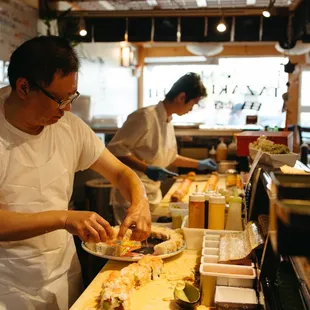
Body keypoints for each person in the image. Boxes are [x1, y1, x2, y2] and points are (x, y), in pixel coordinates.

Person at [0, 36, 151, 310]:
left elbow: (119, 173)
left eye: (72, 96)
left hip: (63, 272)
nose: (68, 108)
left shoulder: (69, 126)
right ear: (23, 87)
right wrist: (65, 218)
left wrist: (140, 202)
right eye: (59, 99)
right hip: (9, 285)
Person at [108, 73, 218, 223]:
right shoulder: (144, 117)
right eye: (192, 104)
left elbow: (171, 157)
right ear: (181, 97)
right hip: (131, 195)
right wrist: (146, 168)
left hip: (152, 193)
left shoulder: (167, 120)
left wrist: (199, 164)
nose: (191, 109)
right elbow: (115, 150)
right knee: (129, 243)